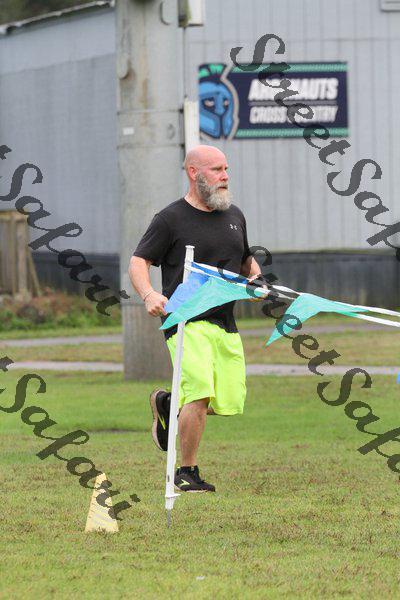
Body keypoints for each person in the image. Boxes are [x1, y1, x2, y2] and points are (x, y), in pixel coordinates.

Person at [129, 144, 266, 493]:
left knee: (227, 401)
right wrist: (149, 294)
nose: (225, 176)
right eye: (217, 169)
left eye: (226, 169)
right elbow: (139, 261)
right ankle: (186, 472)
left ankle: (167, 404)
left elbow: (245, 259)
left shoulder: (235, 216)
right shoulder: (170, 219)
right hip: (185, 320)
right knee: (200, 394)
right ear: (194, 173)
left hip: (225, 323)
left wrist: (256, 277)